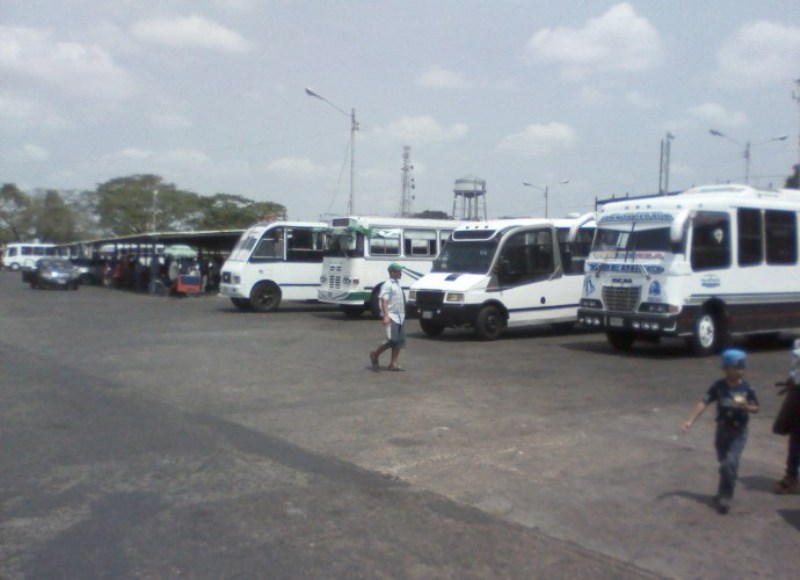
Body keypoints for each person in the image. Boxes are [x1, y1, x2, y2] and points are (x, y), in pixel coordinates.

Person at [681, 348, 759, 514]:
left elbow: (756, 407)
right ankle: (725, 486)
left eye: (742, 367)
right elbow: (704, 402)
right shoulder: (719, 386)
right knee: (724, 464)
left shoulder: (747, 388)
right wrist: (689, 420)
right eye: (736, 367)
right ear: (726, 369)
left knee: (729, 463)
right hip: (722, 431)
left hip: (739, 432)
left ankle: (726, 496)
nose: (740, 371)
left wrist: (747, 406)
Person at [369, 263, 407, 372]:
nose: (401, 273)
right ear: (392, 272)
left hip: (400, 316)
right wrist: (386, 316)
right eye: (399, 271)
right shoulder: (388, 284)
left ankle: (393, 363)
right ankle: (375, 354)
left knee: (399, 341)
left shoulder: (397, 285)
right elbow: (384, 300)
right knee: (391, 340)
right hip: (392, 316)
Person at [774, 339, 800, 494]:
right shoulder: (798, 344)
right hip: (797, 395)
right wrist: (791, 381)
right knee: (795, 437)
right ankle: (791, 476)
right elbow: (794, 370)